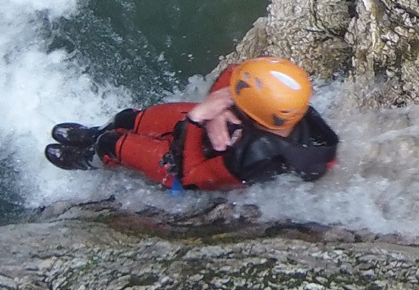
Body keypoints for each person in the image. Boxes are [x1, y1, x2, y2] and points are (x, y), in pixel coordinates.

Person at [45, 56, 338, 191]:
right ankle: (98, 133)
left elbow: (192, 176)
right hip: (210, 131)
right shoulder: (288, 107)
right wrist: (217, 114)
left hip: (187, 164)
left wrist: (199, 119)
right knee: (127, 118)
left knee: (113, 144)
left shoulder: (251, 157)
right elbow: (234, 72)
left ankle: (92, 158)